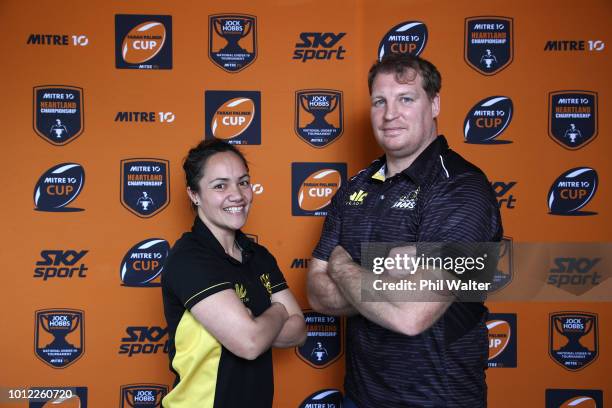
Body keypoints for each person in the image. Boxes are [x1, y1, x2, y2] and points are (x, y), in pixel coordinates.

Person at [307, 53, 502, 407]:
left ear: (435, 103)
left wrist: (344, 267)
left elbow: (412, 314)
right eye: (379, 101)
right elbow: (318, 294)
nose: (389, 114)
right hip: (361, 398)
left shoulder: (461, 188)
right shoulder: (355, 188)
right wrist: (393, 283)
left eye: (406, 99)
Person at [162, 139, 306, 408]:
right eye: (220, 186)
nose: (237, 195)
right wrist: (277, 312)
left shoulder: (259, 255)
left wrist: (256, 324)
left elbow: (298, 331)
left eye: (243, 182)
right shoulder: (189, 258)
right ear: (194, 194)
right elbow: (249, 343)